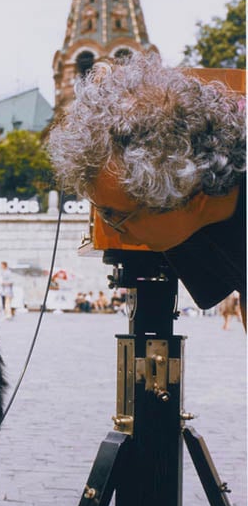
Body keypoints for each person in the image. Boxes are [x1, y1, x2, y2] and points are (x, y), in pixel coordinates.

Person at [47, 51, 246, 327]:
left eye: (117, 215)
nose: (114, 228)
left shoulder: (182, 214)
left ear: (193, 196)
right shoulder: (182, 223)